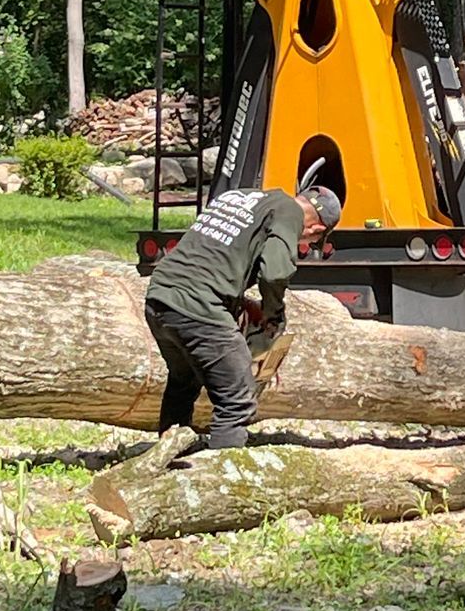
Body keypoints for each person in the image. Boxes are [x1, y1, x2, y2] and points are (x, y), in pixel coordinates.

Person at [143, 182, 342, 447]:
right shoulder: (288, 212)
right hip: (197, 307)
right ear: (315, 229)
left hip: (159, 298)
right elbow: (275, 272)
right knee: (237, 398)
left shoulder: (242, 197)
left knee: (184, 381)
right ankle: (222, 478)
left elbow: (214, 258)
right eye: (310, 240)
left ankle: (167, 458)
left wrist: (239, 303)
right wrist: (274, 315)